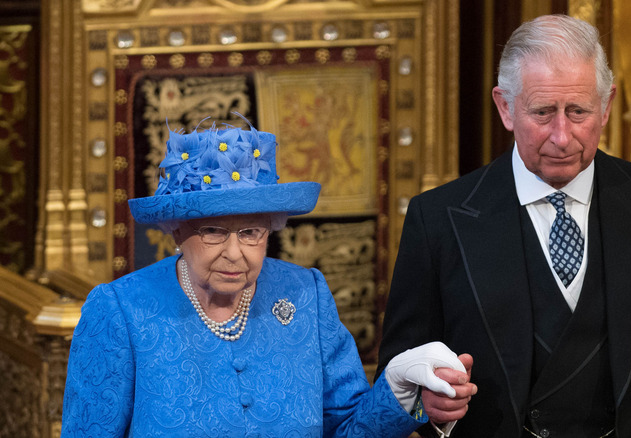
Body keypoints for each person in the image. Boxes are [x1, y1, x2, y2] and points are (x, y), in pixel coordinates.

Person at [376, 14, 631, 438]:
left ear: (607, 104)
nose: (561, 135)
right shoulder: (439, 220)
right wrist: (431, 406)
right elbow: (400, 373)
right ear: (505, 107)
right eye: (542, 112)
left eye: (578, 111)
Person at [61, 117, 472, 437]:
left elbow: (348, 429)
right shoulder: (120, 311)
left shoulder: (304, 293)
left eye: (251, 232)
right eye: (214, 231)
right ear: (178, 230)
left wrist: (399, 392)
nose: (235, 252)